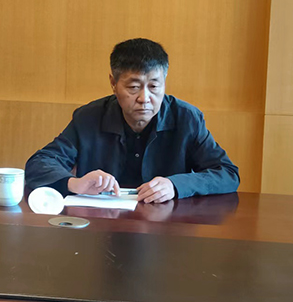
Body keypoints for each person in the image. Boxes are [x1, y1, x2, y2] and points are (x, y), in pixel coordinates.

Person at [25, 38, 239, 203]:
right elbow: (39, 163)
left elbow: (227, 173)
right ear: (113, 83)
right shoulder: (89, 117)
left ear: (164, 82)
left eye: (154, 86)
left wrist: (175, 185)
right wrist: (74, 183)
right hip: (102, 226)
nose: (145, 98)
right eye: (134, 87)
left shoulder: (187, 118)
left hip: (166, 228)